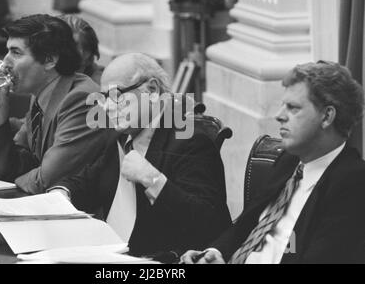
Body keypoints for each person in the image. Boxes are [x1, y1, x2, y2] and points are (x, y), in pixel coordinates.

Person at [49, 52, 232, 257]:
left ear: (152, 90)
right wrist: (62, 193)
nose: (107, 107)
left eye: (116, 95)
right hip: (107, 254)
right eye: (103, 98)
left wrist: (151, 178)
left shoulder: (190, 140)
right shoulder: (121, 136)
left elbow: (210, 223)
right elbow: (89, 180)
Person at [181, 61, 365, 264]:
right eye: (282, 106)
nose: (279, 116)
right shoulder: (290, 161)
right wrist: (215, 252)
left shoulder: (353, 184)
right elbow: (246, 223)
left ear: (327, 116)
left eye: (293, 108)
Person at [0, 14, 107, 194]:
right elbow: (8, 167)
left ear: (49, 60)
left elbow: (44, 181)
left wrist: (15, 178)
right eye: (7, 51)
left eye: (16, 53)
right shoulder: (41, 94)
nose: (5, 62)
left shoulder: (82, 99)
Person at [0, 14, 102, 141]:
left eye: (71, 46)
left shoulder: (108, 88)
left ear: (90, 55)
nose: (64, 51)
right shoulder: (47, 86)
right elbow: (33, 127)